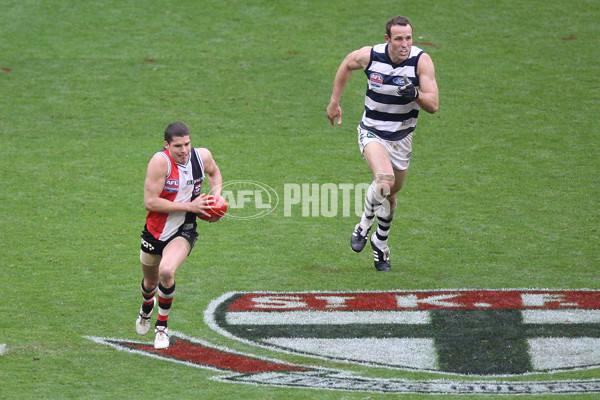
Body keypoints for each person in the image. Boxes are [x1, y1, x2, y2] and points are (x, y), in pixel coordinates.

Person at [326, 16, 439, 271]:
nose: (405, 44)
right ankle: (364, 225)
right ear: (387, 39)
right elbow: (347, 63)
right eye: (399, 38)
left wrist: (416, 94)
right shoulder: (371, 56)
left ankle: (381, 241)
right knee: (384, 181)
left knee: (392, 194)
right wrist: (334, 101)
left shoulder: (421, 62)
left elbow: (433, 105)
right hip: (372, 131)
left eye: (408, 38)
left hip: (402, 138)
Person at [135, 121, 223, 349]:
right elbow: (150, 202)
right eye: (177, 146)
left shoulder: (201, 157)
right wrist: (190, 206)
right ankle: (146, 307)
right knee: (150, 281)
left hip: (184, 230)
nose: (184, 150)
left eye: (187, 144)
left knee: (166, 271)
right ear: (167, 145)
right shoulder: (159, 163)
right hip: (155, 232)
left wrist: (216, 198)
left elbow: (214, 173)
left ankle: (161, 328)